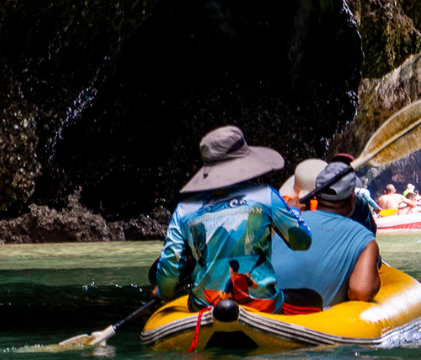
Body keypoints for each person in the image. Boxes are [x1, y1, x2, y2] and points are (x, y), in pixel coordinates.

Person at [155, 126, 312, 310]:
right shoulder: (266, 196)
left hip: (204, 307)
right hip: (262, 307)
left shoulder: (184, 210)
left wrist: (162, 292)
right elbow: (302, 241)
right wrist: (294, 212)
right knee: (312, 298)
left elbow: (169, 269)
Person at [272, 158, 381, 308]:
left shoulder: (282, 221)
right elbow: (361, 291)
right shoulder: (365, 240)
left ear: (316, 195)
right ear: (352, 199)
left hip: (264, 312)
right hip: (311, 324)